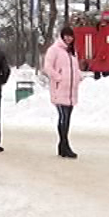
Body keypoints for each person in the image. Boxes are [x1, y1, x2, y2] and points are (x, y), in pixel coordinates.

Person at [43, 25, 83, 158]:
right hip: (59, 90)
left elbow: (75, 68)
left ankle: (62, 146)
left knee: (67, 119)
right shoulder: (54, 50)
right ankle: (65, 145)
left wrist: (78, 76)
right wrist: (58, 77)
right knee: (63, 118)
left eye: (71, 36)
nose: (68, 38)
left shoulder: (72, 52)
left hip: (71, 91)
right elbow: (47, 67)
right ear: (61, 36)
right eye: (66, 35)